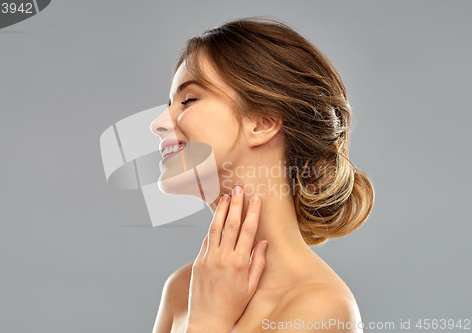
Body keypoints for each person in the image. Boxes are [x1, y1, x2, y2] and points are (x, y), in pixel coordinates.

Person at [150, 17, 375, 333]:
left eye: (188, 100)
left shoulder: (320, 307)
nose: (158, 123)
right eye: (170, 103)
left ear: (264, 122)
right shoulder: (182, 290)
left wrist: (209, 321)